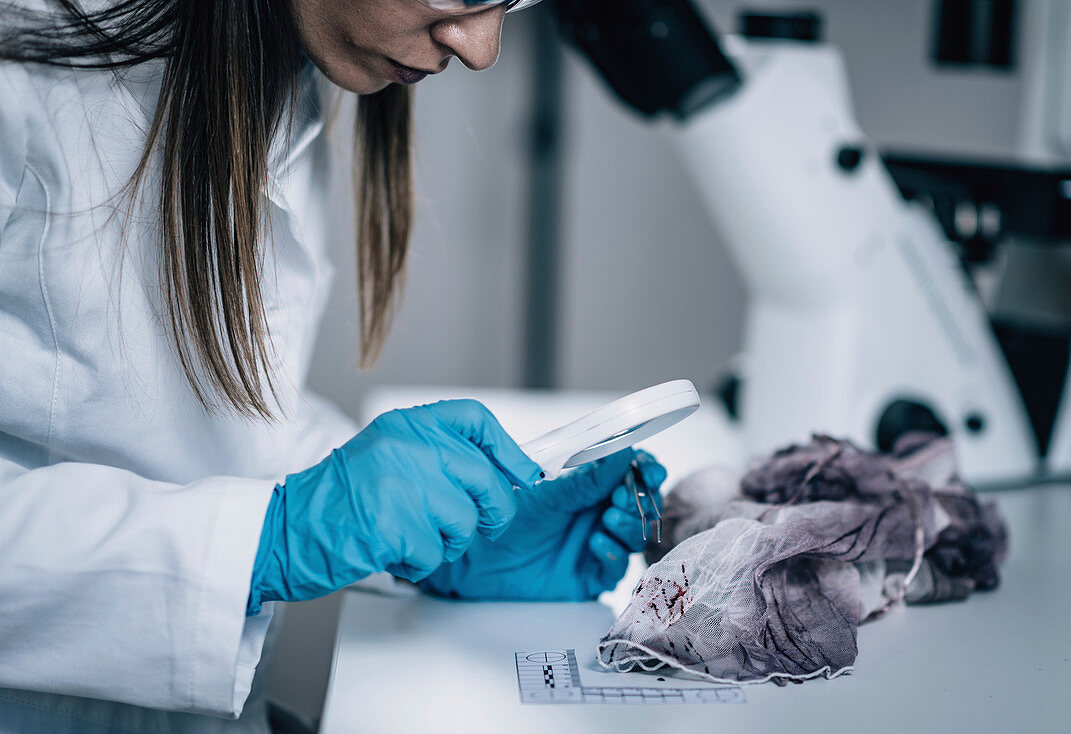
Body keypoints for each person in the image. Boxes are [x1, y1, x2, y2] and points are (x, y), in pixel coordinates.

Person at [0, 1, 667, 732]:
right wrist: (270, 540)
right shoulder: (22, 75)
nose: (481, 49)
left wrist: (441, 537)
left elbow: (212, 421)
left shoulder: (284, 61)